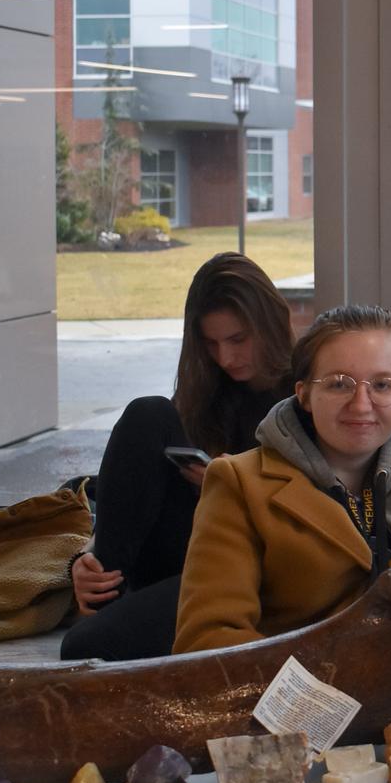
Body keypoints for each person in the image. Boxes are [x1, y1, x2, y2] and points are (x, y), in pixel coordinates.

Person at [172, 304, 391, 666]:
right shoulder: (239, 485)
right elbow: (206, 641)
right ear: (304, 394)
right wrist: (352, 677)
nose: (361, 404)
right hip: (294, 716)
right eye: (339, 384)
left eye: (383, 385)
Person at [60, 253, 294, 661]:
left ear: (269, 324)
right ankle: (102, 584)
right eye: (210, 343)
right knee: (147, 413)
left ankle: (115, 614)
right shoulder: (208, 390)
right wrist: (86, 555)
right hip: (185, 554)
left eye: (238, 340)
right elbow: (137, 486)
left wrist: (234, 486)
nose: (225, 358)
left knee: (83, 648)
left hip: (254, 563)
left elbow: (324, 511)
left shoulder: (307, 391)